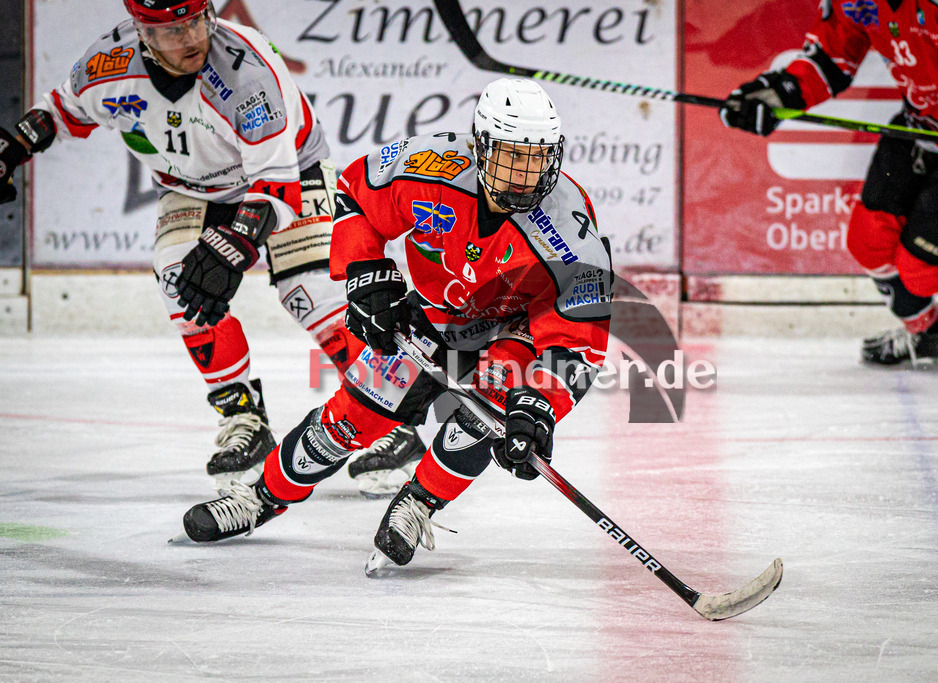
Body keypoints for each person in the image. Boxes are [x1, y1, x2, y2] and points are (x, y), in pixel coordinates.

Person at [178, 78, 613, 574]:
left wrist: (539, 404)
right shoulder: (431, 166)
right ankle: (261, 498)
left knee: (483, 419)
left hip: (515, 330)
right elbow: (354, 195)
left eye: (537, 160)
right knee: (347, 421)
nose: (525, 177)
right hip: (431, 314)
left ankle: (419, 504)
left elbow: (580, 337)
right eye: (513, 158)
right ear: (481, 145)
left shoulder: (570, 227)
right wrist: (366, 273)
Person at [0, 0, 423, 490]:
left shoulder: (248, 71)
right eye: (172, 31)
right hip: (193, 189)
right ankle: (242, 415)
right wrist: (12, 150)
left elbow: (276, 183)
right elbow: (61, 108)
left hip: (292, 174)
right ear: (141, 33)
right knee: (180, 280)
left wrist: (236, 243)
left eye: (197, 21)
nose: (192, 39)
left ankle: (389, 416)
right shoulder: (109, 65)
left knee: (315, 294)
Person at [720, 0, 938, 365]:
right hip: (921, 128)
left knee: (924, 271)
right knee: (869, 240)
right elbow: (830, 58)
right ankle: (928, 334)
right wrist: (775, 94)